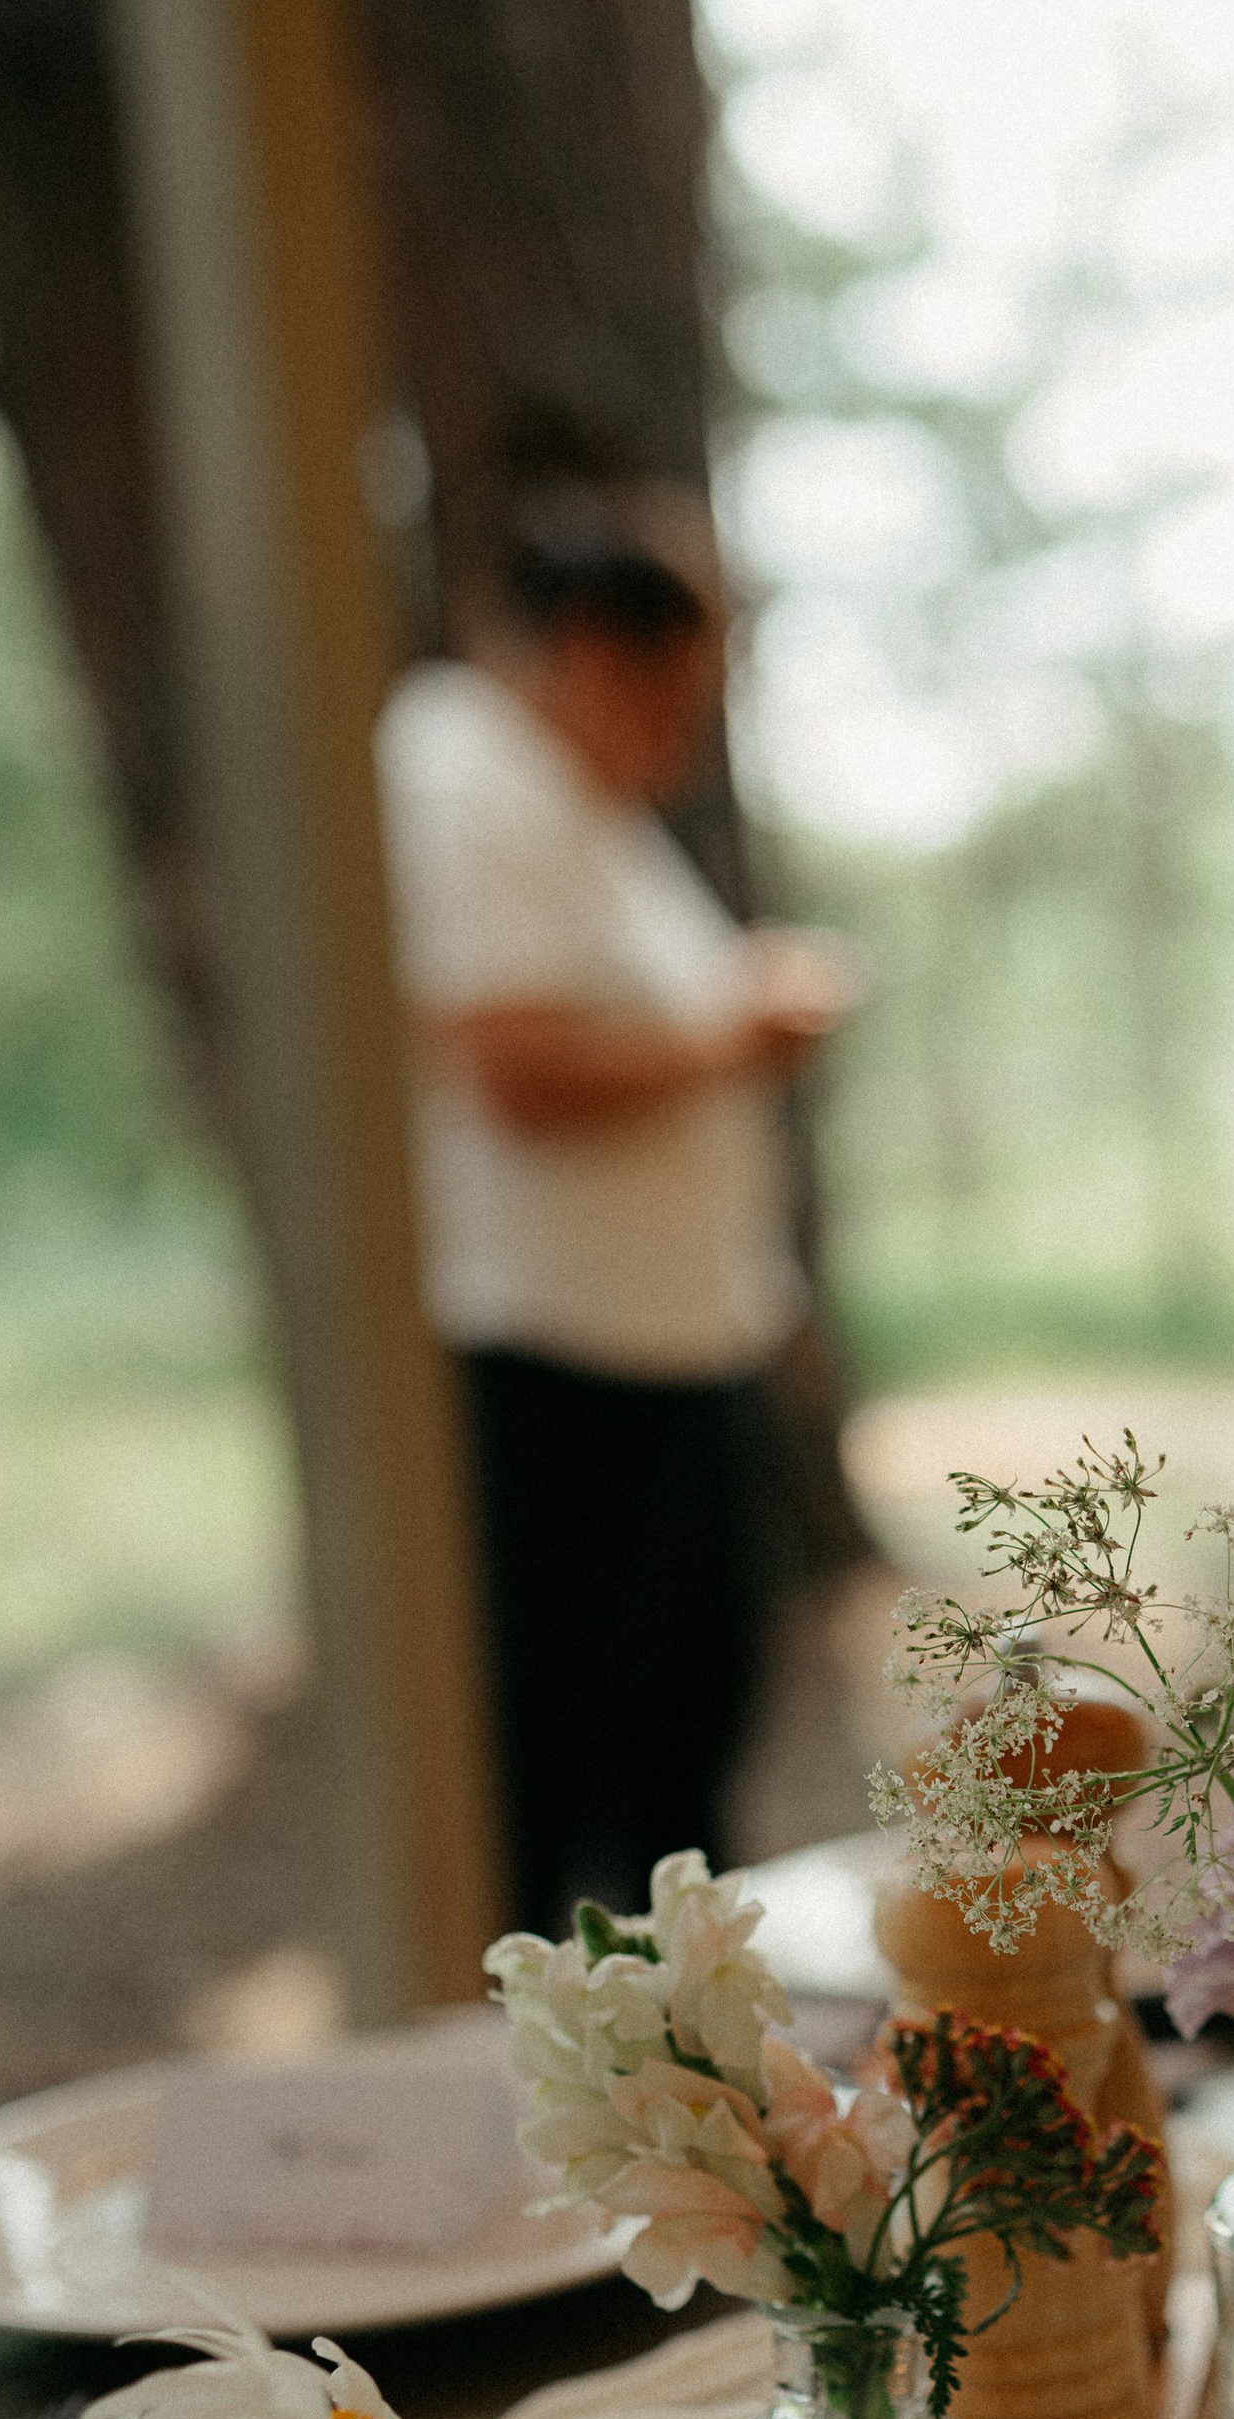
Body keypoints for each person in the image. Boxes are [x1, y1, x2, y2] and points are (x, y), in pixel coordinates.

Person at [376, 483, 857, 1935]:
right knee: (564, 1764)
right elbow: (507, 1064)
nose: (688, 735)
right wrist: (741, 1035)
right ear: (596, 645)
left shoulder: (574, 806)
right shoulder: (464, 774)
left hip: (660, 1359)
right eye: (680, 691)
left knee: (681, 1749)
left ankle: (681, 2071)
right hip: (554, 1369)